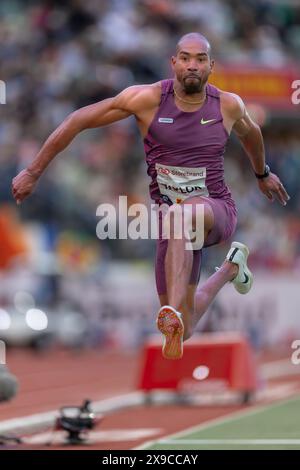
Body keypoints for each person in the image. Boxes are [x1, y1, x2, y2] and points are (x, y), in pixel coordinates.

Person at [12, 33, 290, 360]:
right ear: (173, 63)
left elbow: (251, 133)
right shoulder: (146, 100)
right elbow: (78, 121)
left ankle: (170, 311)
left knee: (181, 216)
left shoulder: (227, 105)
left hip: (216, 211)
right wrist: (33, 171)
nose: (192, 65)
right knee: (184, 327)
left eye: (200, 59)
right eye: (185, 57)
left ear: (211, 66)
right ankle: (229, 270)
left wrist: (262, 173)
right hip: (173, 231)